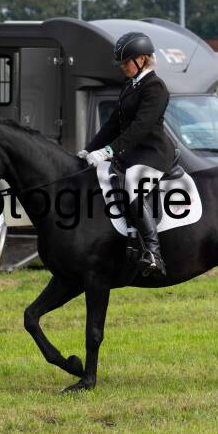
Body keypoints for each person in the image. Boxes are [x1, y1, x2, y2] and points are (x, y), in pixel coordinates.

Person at [77, 31, 176, 277]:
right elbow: (112, 125)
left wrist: (109, 150)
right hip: (130, 153)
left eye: (125, 62)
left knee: (133, 185)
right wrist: (89, 149)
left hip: (152, 152)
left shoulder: (156, 87)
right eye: (121, 63)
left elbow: (140, 128)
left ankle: (153, 253)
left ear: (142, 59)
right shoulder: (130, 86)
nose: (122, 67)